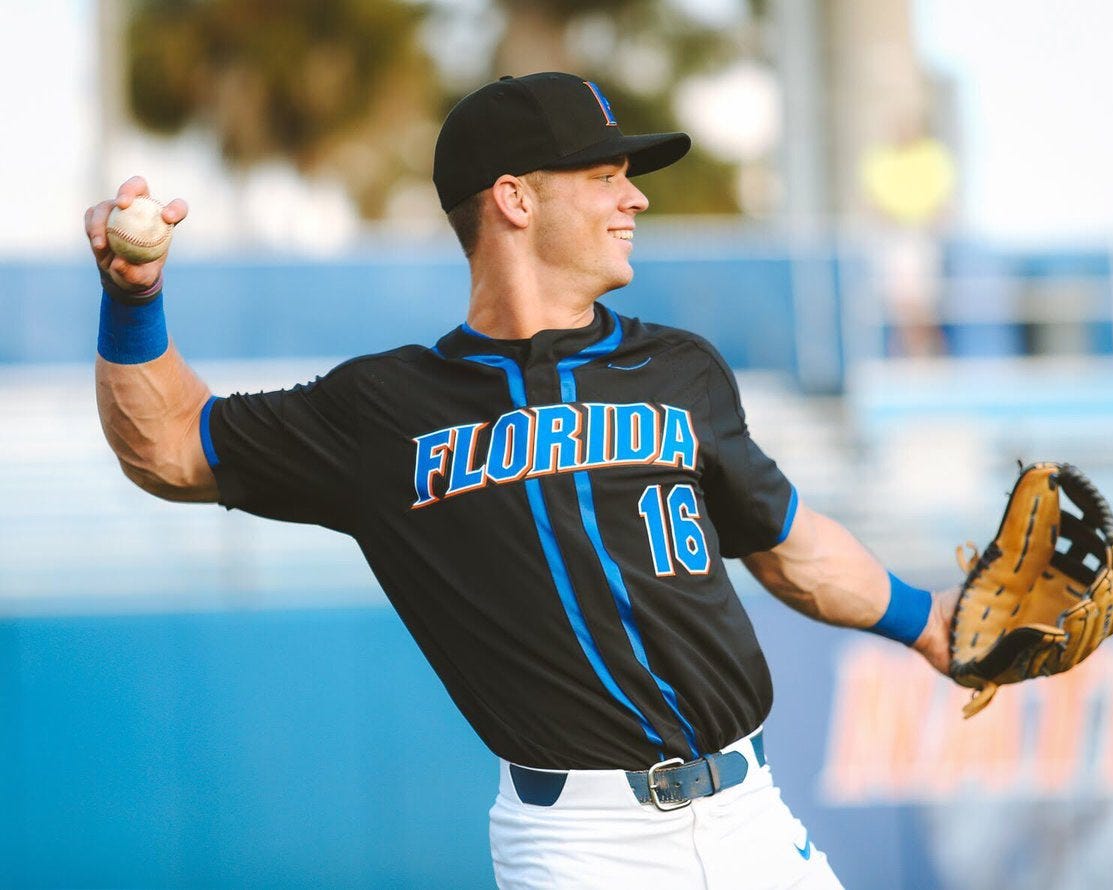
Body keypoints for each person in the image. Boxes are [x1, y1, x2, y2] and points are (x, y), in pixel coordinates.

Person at [85, 72, 955, 889]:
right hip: (581, 845)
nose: (635, 197)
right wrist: (134, 297)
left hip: (753, 820)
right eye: (606, 175)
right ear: (515, 198)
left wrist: (930, 627)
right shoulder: (387, 411)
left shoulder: (679, 369)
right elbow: (166, 445)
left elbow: (787, 546)